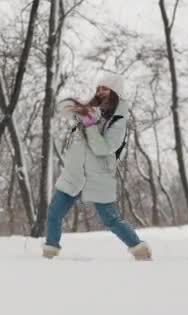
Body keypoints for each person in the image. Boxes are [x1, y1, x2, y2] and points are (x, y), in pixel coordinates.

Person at [42, 72, 152, 260]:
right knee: (54, 212)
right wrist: (79, 106)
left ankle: (139, 250)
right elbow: (61, 107)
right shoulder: (92, 108)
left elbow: (104, 148)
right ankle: (50, 253)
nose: (100, 92)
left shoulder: (119, 120)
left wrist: (90, 125)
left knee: (110, 219)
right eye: (99, 88)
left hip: (98, 174)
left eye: (105, 89)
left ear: (115, 91)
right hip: (74, 172)